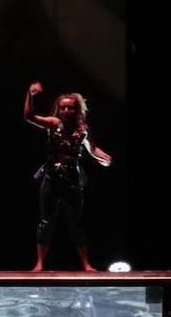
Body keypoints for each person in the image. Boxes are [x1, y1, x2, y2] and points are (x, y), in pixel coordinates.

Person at [23, 82, 112, 271]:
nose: (65, 110)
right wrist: (30, 95)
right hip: (51, 177)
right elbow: (29, 116)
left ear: (76, 110)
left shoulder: (83, 129)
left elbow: (93, 149)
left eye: (69, 108)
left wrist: (103, 158)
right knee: (46, 222)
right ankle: (39, 264)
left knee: (76, 223)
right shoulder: (53, 123)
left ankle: (86, 264)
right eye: (62, 107)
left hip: (72, 179)